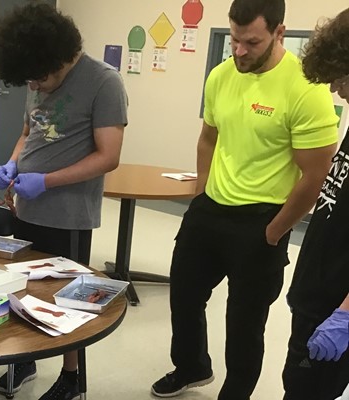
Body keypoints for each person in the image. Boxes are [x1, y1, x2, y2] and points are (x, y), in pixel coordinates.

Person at [150, 0, 341, 398]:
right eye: (234, 39)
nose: (239, 50)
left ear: (279, 33)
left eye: (251, 42)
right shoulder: (221, 76)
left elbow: (316, 174)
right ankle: (191, 366)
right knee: (184, 298)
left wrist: (274, 232)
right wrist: (202, 193)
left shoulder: (306, 88)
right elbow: (208, 138)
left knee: (243, 325)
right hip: (210, 210)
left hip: (262, 221)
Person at [0, 3, 127, 400]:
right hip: (27, 208)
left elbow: (108, 156)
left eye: (37, 78)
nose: (32, 87)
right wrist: (12, 164)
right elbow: (28, 132)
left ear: (59, 57)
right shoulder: (36, 73)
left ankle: (72, 377)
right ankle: (25, 357)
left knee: (68, 299)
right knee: (22, 287)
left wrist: (46, 181)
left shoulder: (104, 83)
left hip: (69, 216)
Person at [282, 7, 349, 399]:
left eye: (342, 77)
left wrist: (345, 314)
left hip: (335, 311)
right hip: (315, 298)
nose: (335, 89)